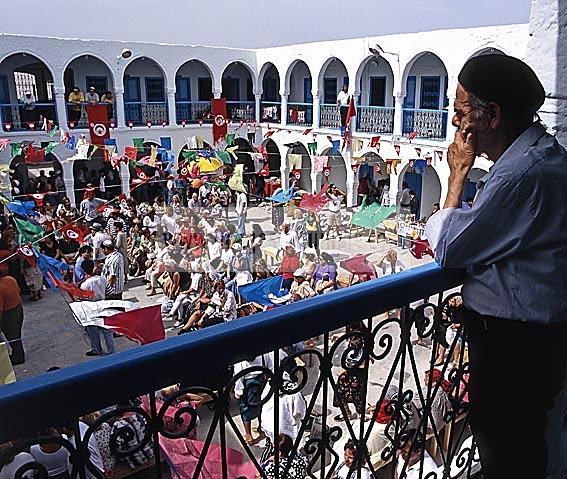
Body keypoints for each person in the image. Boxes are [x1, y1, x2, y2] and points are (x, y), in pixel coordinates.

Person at [424, 54, 567, 478]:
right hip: (531, 343)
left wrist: (457, 175)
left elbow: (450, 246)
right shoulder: (541, 157)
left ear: (492, 116)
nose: (455, 122)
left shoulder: (519, 175)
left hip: (514, 350)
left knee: (509, 453)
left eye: (462, 110)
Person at [0, 267, 25, 365]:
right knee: (16, 335)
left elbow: (0, 310)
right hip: (18, 308)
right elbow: (18, 291)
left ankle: (18, 357)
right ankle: (17, 354)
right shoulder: (10, 279)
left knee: (13, 337)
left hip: (8, 314)